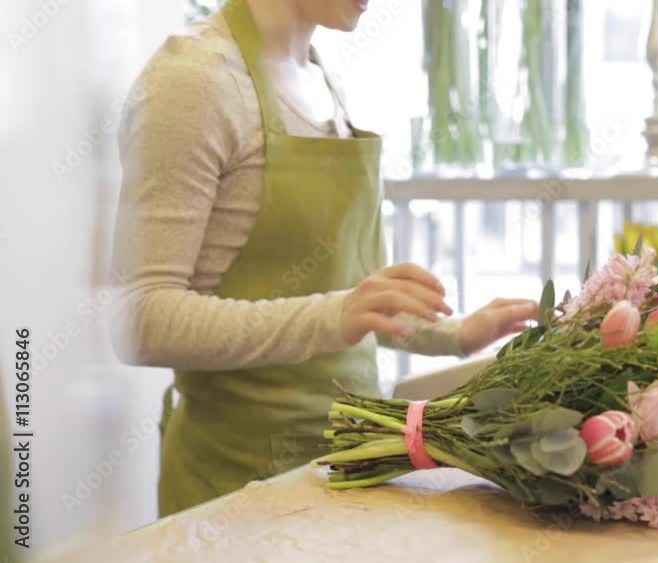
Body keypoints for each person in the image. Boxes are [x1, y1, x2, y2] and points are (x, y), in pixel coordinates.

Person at [110, 0, 538, 517]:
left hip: (345, 464)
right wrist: (333, 314)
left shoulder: (320, 77)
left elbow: (354, 295)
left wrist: (454, 334)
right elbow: (140, 319)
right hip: (234, 489)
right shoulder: (193, 84)